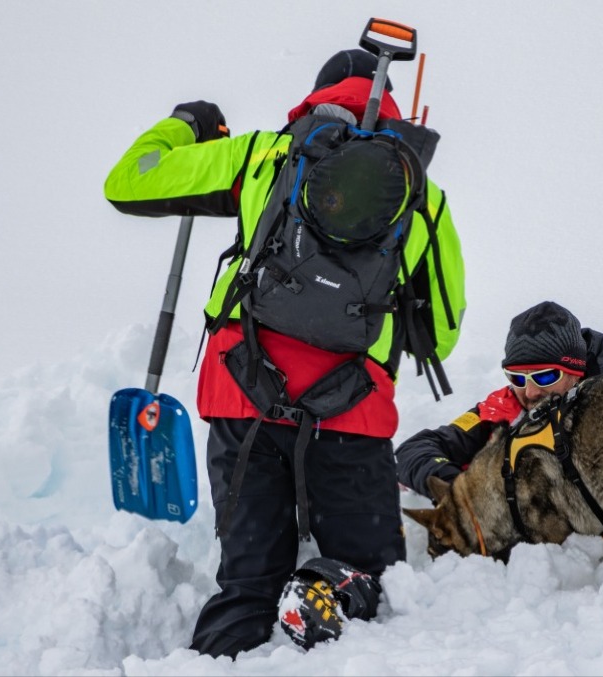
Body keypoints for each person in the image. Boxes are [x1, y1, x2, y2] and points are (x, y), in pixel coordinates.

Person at [104, 48, 465, 658]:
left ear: (316, 95)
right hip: (352, 413)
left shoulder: (266, 153)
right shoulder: (419, 192)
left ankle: (223, 650)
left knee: (245, 581)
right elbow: (444, 330)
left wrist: (188, 124)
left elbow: (129, 181)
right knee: (371, 577)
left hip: (242, 393)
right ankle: (323, 585)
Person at [396, 301, 603, 498]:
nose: (530, 392)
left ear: (576, 372)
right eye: (518, 377)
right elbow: (416, 450)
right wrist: (458, 488)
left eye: (545, 376)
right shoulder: (502, 409)